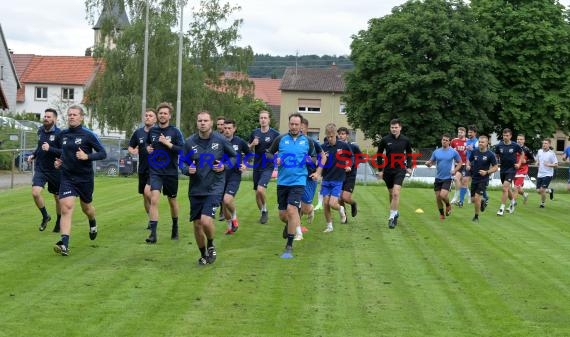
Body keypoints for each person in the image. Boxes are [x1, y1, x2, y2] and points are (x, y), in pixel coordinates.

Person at [182, 111, 237, 265]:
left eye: (206, 120)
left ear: (211, 123)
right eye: (200, 120)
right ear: (196, 123)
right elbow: (182, 163)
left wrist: (224, 166)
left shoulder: (220, 140)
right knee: (197, 224)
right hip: (195, 189)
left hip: (214, 187)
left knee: (206, 221)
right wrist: (187, 170)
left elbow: (234, 157)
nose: (203, 123)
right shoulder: (189, 142)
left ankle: (211, 245)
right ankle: (203, 254)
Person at [53, 105, 107, 256]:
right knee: (66, 207)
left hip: (84, 178)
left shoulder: (88, 135)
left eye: (75, 115)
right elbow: (60, 153)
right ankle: (64, 243)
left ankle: (92, 222)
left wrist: (87, 157)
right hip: (67, 177)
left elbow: (103, 153)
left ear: (81, 117)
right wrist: (58, 161)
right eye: (69, 114)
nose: (71, 117)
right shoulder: (62, 135)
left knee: (87, 208)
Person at [267, 113, 316, 259]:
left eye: (297, 124)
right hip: (283, 182)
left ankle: (289, 246)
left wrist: (309, 160)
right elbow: (268, 154)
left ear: (301, 125)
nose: (294, 127)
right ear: (289, 124)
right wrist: (276, 158)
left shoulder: (308, 141)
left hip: (299, 181)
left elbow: (314, 157)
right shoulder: (280, 139)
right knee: (283, 215)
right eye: (292, 124)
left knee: (292, 209)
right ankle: (290, 224)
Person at [145, 102, 185, 244]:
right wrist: (148, 149)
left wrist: (168, 144)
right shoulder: (152, 131)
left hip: (171, 172)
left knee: (172, 201)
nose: (162, 115)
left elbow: (182, 150)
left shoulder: (175, 132)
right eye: (160, 113)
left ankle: (175, 226)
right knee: (154, 199)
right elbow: (148, 144)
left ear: (170, 116)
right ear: (158, 115)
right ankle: (153, 234)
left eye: (165, 113)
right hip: (155, 171)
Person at [28, 108, 62, 232]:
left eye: (49, 117)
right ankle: (45, 216)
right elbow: (39, 147)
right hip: (41, 169)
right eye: (45, 116)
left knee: (57, 198)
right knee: (35, 193)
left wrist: (50, 149)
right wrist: (33, 155)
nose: (46, 118)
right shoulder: (40, 131)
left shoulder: (60, 134)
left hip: (55, 170)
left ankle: (59, 221)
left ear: (55, 119)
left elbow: (64, 152)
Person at [314, 123, 353, 233]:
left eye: (332, 136)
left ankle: (341, 209)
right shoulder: (323, 147)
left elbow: (351, 157)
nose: (330, 138)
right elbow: (318, 161)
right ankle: (329, 226)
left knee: (332, 203)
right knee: (326, 204)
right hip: (326, 179)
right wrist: (320, 160)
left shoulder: (343, 146)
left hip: (338, 179)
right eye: (328, 136)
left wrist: (349, 165)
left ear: (335, 134)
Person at [376, 118, 413, 229]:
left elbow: (410, 153)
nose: (394, 129)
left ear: (400, 128)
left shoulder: (405, 140)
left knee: (396, 193)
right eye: (392, 127)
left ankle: (392, 217)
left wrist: (409, 166)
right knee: (391, 194)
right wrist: (380, 170)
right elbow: (379, 154)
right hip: (388, 170)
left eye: (396, 127)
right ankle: (395, 212)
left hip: (400, 169)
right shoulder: (385, 140)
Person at [248, 110, 280, 224]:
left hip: (268, 166)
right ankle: (263, 212)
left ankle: (265, 210)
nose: (263, 120)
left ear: (269, 120)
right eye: (261, 118)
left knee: (261, 190)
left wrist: (277, 157)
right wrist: (252, 144)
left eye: (265, 118)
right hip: (257, 166)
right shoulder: (254, 133)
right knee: (257, 193)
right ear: (259, 119)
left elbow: (280, 149)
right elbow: (248, 149)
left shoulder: (275, 134)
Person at [127, 108, 157, 227]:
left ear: (155, 119)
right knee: (145, 196)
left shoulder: (158, 132)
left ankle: (154, 215)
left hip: (155, 169)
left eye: (150, 116)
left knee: (148, 192)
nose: (148, 117)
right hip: (142, 168)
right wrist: (132, 150)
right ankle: (151, 218)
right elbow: (130, 146)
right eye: (146, 115)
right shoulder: (138, 133)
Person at [296, 117, 325, 240]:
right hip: (296, 177)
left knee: (305, 206)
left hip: (310, 177)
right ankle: (296, 231)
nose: (299, 129)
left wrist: (318, 172)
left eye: (302, 127)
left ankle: (310, 209)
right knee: (294, 203)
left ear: (307, 129)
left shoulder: (312, 143)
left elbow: (323, 157)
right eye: (298, 127)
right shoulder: (292, 142)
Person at [221, 119, 251, 235]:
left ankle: (234, 216)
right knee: (223, 205)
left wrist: (245, 164)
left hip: (234, 174)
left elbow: (248, 153)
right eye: (225, 128)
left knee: (227, 200)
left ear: (234, 129)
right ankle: (229, 228)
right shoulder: (219, 141)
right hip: (220, 175)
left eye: (229, 128)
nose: (227, 130)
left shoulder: (239, 141)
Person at [425, 134, 462, 220]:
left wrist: (455, 170)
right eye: (443, 140)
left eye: (446, 140)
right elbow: (430, 162)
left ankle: (448, 205)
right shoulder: (436, 152)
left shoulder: (453, 152)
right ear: (441, 141)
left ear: (449, 142)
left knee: (442, 195)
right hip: (438, 177)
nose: (444, 141)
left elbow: (460, 162)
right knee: (438, 197)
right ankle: (442, 214)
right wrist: (428, 164)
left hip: (448, 178)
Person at [467, 135, 498, 223]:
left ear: (487, 143)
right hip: (474, 178)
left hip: (483, 179)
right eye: (479, 142)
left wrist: (487, 172)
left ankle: (476, 217)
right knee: (473, 200)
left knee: (477, 198)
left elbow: (495, 167)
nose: (480, 143)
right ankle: (483, 201)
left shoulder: (490, 154)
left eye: (482, 142)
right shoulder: (474, 151)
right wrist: (468, 165)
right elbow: (469, 160)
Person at [494, 128, 523, 215]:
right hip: (503, 169)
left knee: (504, 188)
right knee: (507, 189)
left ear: (510, 136)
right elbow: (496, 155)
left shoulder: (515, 145)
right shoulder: (499, 146)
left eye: (507, 136)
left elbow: (522, 153)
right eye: (504, 135)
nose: (505, 137)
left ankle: (501, 208)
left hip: (512, 169)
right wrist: (496, 162)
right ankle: (513, 201)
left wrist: (519, 163)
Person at [337, 127, 361, 223]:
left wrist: (351, 165)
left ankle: (353, 203)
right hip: (339, 175)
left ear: (347, 135)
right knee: (339, 198)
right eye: (340, 134)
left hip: (350, 175)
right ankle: (344, 217)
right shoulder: (336, 146)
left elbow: (361, 158)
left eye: (343, 134)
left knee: (345, 197)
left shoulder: (353, 147)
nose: (341, 135)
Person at [536, 139, 558, 208]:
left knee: (542, 190)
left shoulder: (551, 153)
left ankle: (542, 203)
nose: (544, 144)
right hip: (540, 174)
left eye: (546, 143)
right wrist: (537, 162)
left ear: (549, 145)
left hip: (548, 174)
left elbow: (556, 165)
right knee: (538, 191)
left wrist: (549, 164)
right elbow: (537, 159)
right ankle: (550, 190)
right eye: (543, 143)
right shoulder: (539, 151)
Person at [512, 134, 535, 205]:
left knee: (515, 188)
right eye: (518, 139)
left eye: (521, 139)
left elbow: (533, 160)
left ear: (524, 141)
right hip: (514, 170)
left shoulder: (526, 149)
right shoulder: (513, 148)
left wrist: (526, 161)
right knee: (518, 189)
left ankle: (512, 205)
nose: (519, 141)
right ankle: (525, 194)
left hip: (522, 170)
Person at [450, 127, 469, 207]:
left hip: (465, 164)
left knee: (461, 181)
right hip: (457, 164)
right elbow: (450, 151)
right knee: (457, 180)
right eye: (459, 132)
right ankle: (466, 194)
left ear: (465, 133)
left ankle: (456, 197)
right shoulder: (454, 141)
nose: (460, 134)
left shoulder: (468, 141)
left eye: (461, 132)